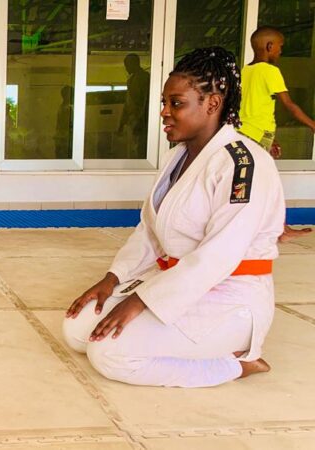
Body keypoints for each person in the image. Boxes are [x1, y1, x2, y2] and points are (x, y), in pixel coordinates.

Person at [63, 47, 283, 388]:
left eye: (175, 103)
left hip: (230, 295)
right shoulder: (178, 156)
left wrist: (141, 301)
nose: (164, 113)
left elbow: (218, 257)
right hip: (176, 283)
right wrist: (114, 277)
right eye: (164, 103)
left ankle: (236, 363)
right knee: (77, 330)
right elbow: (149, 230)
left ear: (212, 104)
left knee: (108, 353)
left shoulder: (243, 164)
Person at [239, 26, 315, 241]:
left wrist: (272, 138)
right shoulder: (270, 71)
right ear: (269, 46)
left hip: (245, 133)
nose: (281, 51)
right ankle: (280, 230)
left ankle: (277, 228)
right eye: (280, 47)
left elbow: (252, 109)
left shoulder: (245, 71)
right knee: (267, 183)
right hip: (257, 135)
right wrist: (312, 125)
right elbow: (289, 105)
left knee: (259, 183)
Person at [118, 54, 150, 159]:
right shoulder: (131, 80)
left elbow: (146, 100)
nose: (126, 68)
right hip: (134, 121)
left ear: (134, 63)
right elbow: (128, 103)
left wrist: (141, 120)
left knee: (142, 151)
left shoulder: (144, 77)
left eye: (127, 64)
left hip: (142, 122)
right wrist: (122, 124)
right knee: (134, 151)